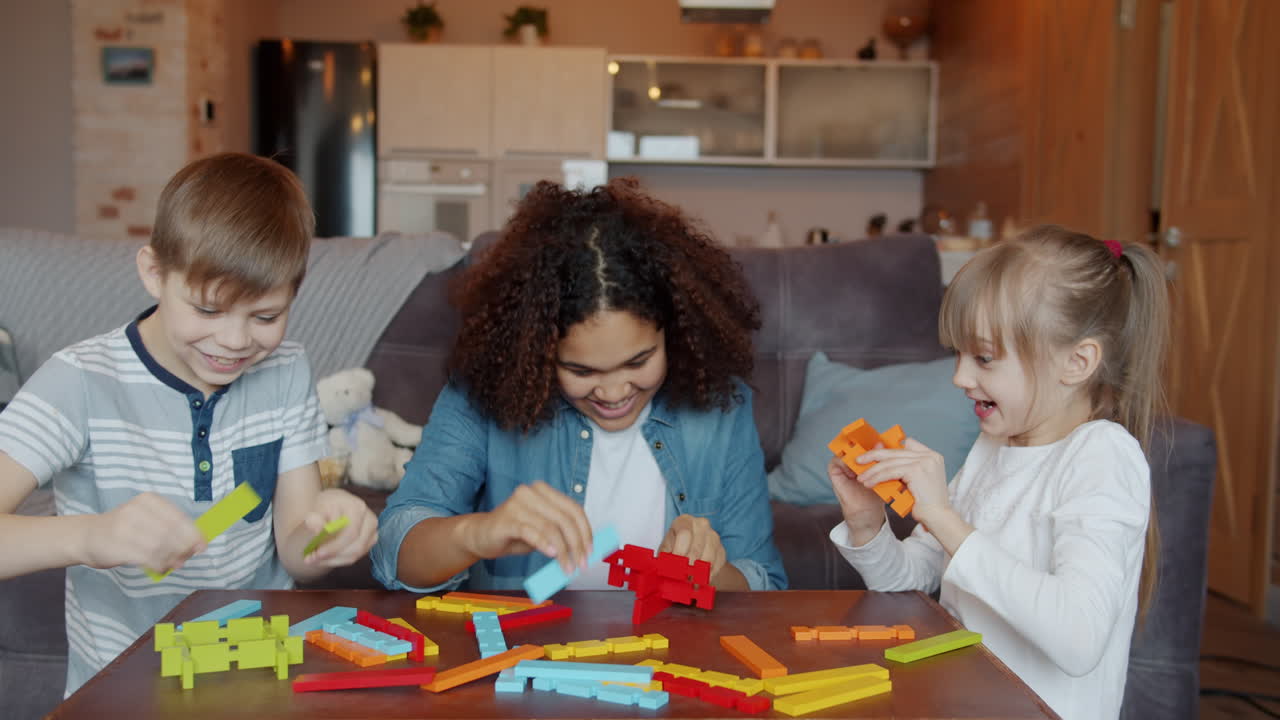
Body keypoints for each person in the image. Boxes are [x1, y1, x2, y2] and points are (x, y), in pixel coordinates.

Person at [0, 152, 378, 695]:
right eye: (207, 310)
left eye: (266, 316)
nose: (234, 341)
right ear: (155, 273)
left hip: (257, 682)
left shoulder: (285, 368)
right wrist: (89, 536)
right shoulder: (79, 381)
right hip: (121, 693)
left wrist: (327, 535)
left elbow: (295, 547)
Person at [373, 178, 786, 594]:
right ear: (537, 351)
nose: (613, 392)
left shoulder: (722, 406)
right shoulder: (483, 393)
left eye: (638, 362)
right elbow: (394, 550)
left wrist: (713, 575)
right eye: (582, 371)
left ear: (676, 334)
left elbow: (765, 582)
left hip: (667, 652)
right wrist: (478, 534)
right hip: (526, 653)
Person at [828, 226, 1167, 720]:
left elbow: (1078, 638)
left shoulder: (1103, 456)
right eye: (960, 355)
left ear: (1076, 362)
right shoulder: (994, 446)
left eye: (984, 358)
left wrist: (944, 517)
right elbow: (910, 583)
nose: (960, 377)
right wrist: (867, 525)